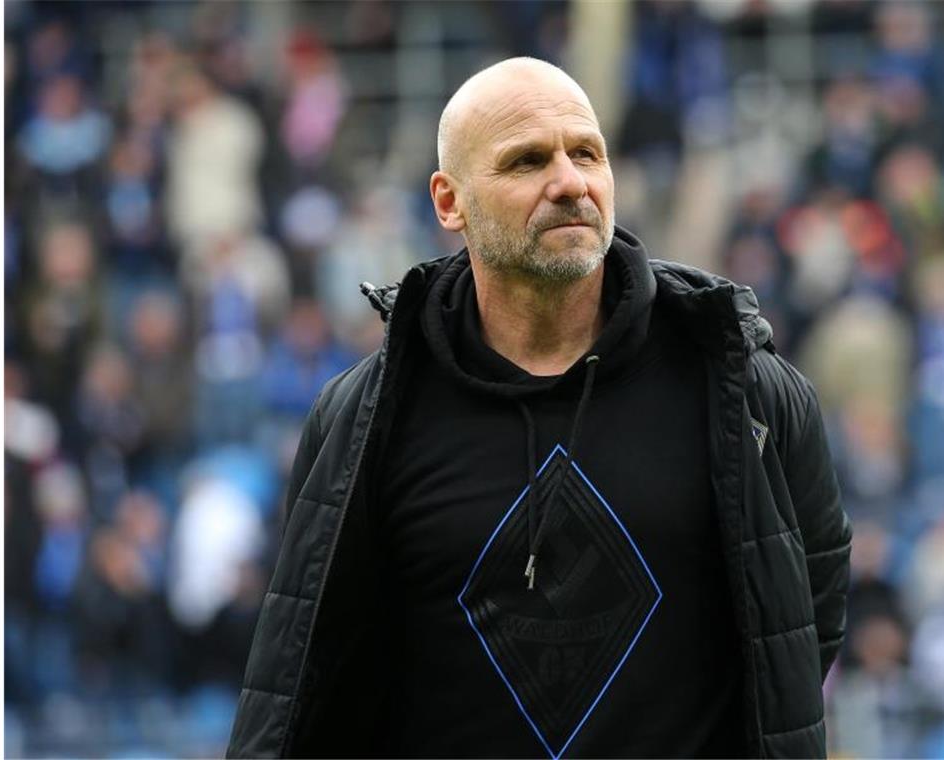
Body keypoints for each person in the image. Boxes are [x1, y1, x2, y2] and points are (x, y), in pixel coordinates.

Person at [227, 57, 851, 759]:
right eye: (526, 161)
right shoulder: (361, 421)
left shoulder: (750, 396)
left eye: (586, 153)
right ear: (448, 201)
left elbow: (803, 630)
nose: (569, 182)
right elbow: (312, 668)